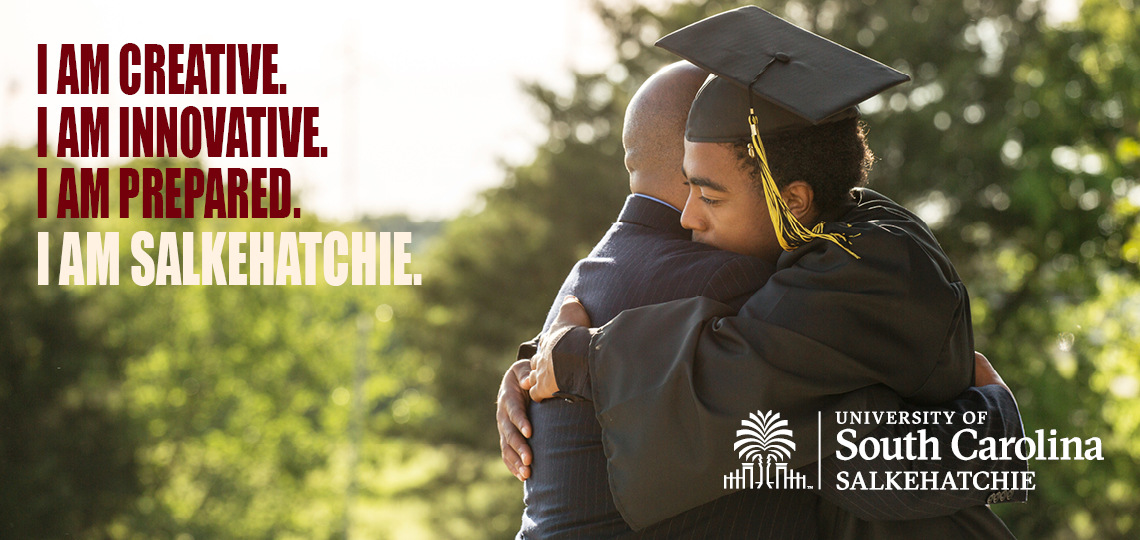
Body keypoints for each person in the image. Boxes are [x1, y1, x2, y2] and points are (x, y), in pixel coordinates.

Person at [515, 6, 1025, 538]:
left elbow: (755, 387)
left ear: (793, 200)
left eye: (709, 194)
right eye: (690, 188)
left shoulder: (859, 271)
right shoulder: (832, 247)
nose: (690, 217)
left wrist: (574, 355)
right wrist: (533, 365)